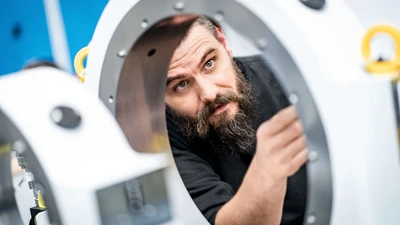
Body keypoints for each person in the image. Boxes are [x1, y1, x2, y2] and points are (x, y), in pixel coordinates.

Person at [165, 16, 308, 225]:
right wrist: (266, 172)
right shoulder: (164, 140)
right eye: (181, 85)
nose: (210, 93)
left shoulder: (286, 79)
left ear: (224, 43)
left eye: (209, 63)